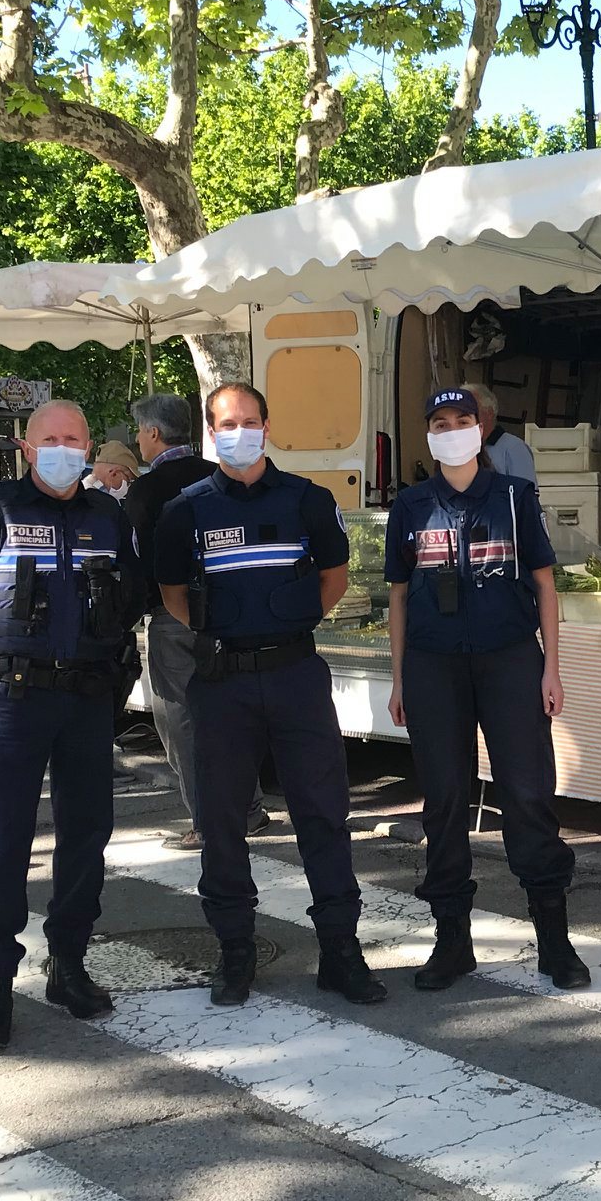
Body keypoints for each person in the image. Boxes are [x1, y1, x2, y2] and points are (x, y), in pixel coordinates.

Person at [155, 382, 387, 1008]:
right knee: (222, 822)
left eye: (250, 420)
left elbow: (334, 578)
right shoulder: (186, 510)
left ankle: (341, 950)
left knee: (322, 815)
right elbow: (175, 594)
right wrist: (222, 633)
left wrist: (288, 623)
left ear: (266, 425)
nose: (240, 431)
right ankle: (235, 955)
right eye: (227, 423)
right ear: (211, 432)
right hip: (220, 683)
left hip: (294, 677)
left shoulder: (307, 501)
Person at [0, 399, 145, 1051]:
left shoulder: (109, 516)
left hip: (87, 703)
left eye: (73, 438)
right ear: (26, 448)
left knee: (86, 839)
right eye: (48, 438)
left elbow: (132, 600)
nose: (61, 447)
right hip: (15, 702)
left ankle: (68, 966)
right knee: (0, 844)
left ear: (89, 448)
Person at [385, 387, 586, 993]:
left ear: (481, 427)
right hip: (433, 667)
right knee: (443, 802)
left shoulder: (515, 497)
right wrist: (398, 678)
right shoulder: (412, 505)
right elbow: (397, 595)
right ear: (428, 434)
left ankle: (554, 940)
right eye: (440, 422)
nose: (452, 430)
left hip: (509, 662)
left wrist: (552, 667)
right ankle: (452, 943)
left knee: (528, 797)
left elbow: (546, 586)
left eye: (462, 420)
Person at [122, 393, 270, 852]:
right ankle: (250, 808)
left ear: (152, 433)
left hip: (172, 616)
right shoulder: (220, 476)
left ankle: (206, 821)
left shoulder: (146, 491)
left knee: (182, 721)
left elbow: (134, 561)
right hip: (233, 616)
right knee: (232, 715)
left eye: (139, 433)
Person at [464, 381, 537, 483]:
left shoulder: (515, 448)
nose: (465, 416)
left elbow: (527, 496)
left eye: (471, 410)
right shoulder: (461, 448)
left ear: (489, 413)